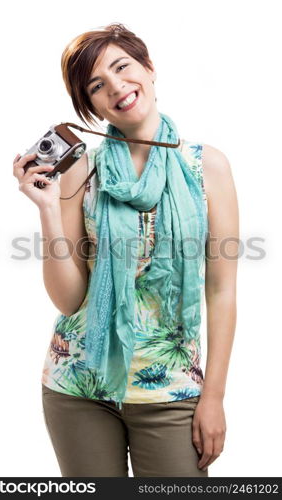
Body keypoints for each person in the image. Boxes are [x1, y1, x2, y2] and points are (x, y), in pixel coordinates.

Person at [12, 23, 239, 477]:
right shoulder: (81, 171)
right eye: (97, 85)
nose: (116, 87)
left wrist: (212, 397)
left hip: (172, 391)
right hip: (78, 387)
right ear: (90, 105)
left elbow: (222, 291)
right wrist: (48, 211)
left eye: (122, 67)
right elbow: (69, 298)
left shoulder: (206, 165)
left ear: (148, 68)